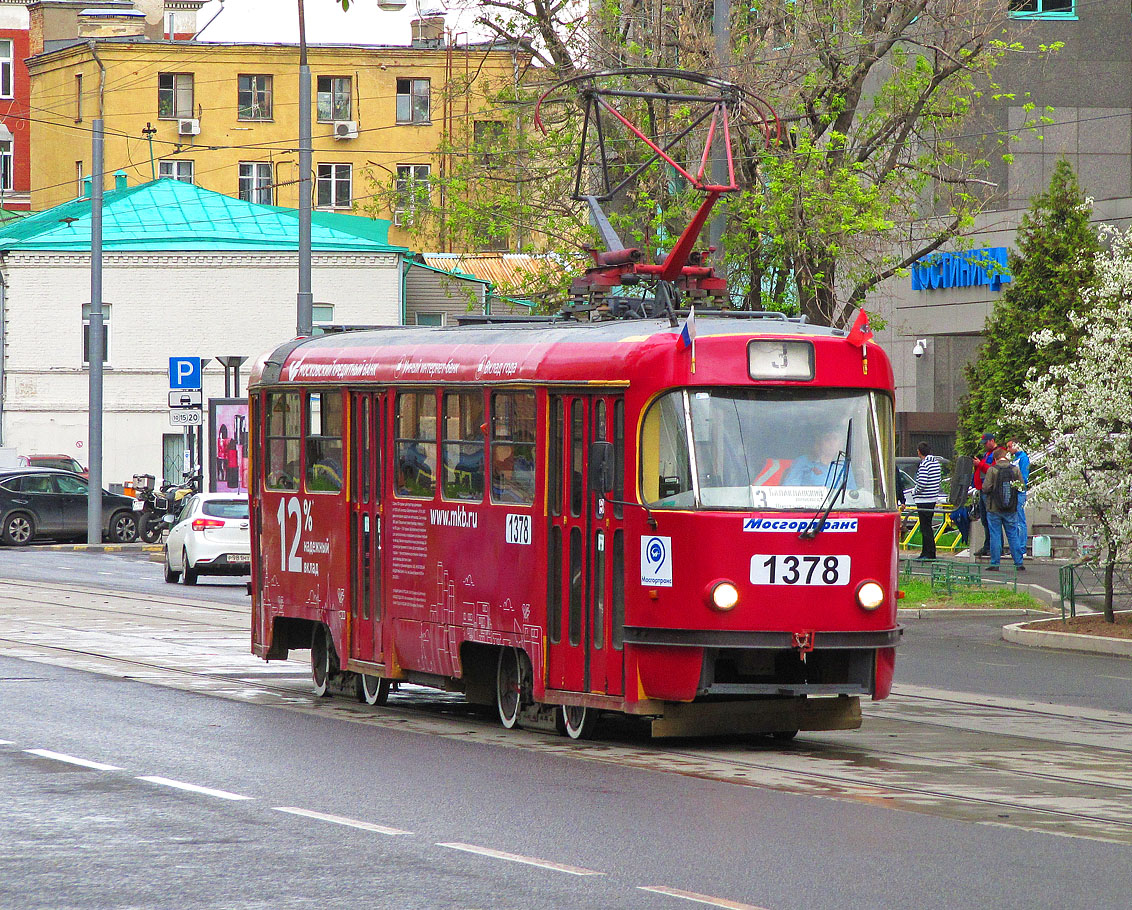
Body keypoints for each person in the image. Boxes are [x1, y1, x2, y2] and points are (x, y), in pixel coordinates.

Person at [982, 446, 1026, 572]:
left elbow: (985, 488)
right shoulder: (1015, 469)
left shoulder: (992, 470)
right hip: (1011, 508)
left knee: (995, 535)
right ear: (1006, 456)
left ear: (995, 459)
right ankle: (1018, 562)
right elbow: (1021, 486)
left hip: (994, 508)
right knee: (1012, 534)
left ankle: (995, 563)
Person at [782, 428, 853, 488]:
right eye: (827, 439)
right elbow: (789, 488)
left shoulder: (844, 465)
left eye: (835, 439)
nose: (832, 443)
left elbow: (852, 493)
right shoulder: (803, 461)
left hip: (835, 504)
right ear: (819, 442)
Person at [972, 432, 1001, 558]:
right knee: (984, 520)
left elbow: (993, 470)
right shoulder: (987, 454)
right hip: (982, 489)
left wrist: (980, 465)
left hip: (990, 491)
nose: (984, 446)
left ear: (992, 441)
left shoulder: (998, 453)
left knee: (991, 519)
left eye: (986, 443)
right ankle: (987, 545)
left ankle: (994, 547)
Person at [913, 442, 942, 560]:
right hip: (932, 497)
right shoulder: (936, 463)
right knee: (927, 526)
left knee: (925, 527)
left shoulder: (925, 464)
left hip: (923, 499)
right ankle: (927, 552)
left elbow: (922, 483)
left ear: (919, 451)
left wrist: (914, 491)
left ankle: (928, 553)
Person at [1007, 438, 1031, 547]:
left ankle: (1022, 546)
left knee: (1020, 519)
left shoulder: (1023, 458)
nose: (1008, 449)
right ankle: (1016, 545)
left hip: (1019, 491)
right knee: (1014, 520)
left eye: (1009, 447)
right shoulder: (1014, 459)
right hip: (1013, 491)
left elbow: (1024, 476)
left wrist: (1018, 485)